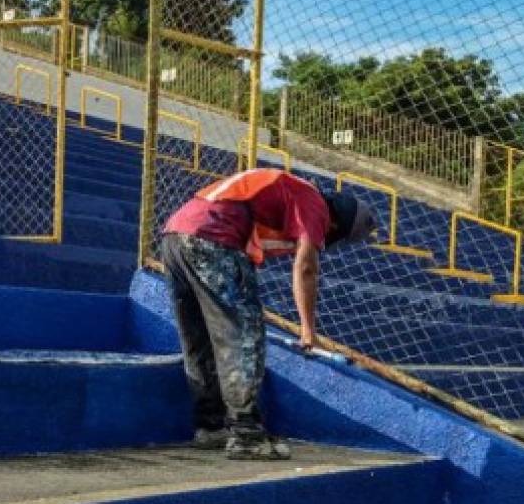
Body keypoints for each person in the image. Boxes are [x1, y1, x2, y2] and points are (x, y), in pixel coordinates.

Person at [160, 167, 377, 460]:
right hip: (214, 237)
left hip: (176, 236)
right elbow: (306, 268)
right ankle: (247, 435)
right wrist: (307, 330)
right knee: (244, 335)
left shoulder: (292, 190)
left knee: (200, 341)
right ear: (338, 223)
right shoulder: (314, 204)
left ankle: (210, 427)